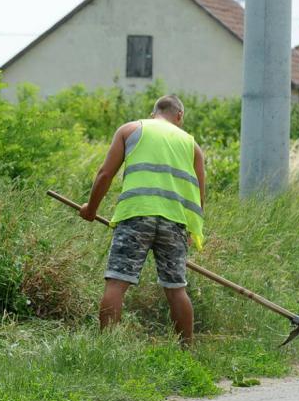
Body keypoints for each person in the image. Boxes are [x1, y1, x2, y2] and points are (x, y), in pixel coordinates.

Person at [79, 94, 206, 346]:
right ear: (179, 116)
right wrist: (192, 231)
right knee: (176, 288)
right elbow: (199, 196)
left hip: (136, 214)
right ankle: (187, 353)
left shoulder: (131, 130)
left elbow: (105, 174)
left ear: (153, 114)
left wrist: (91, 209)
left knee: (117, 281)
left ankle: (107, 349)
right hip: (175, 222)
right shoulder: (192, 145)